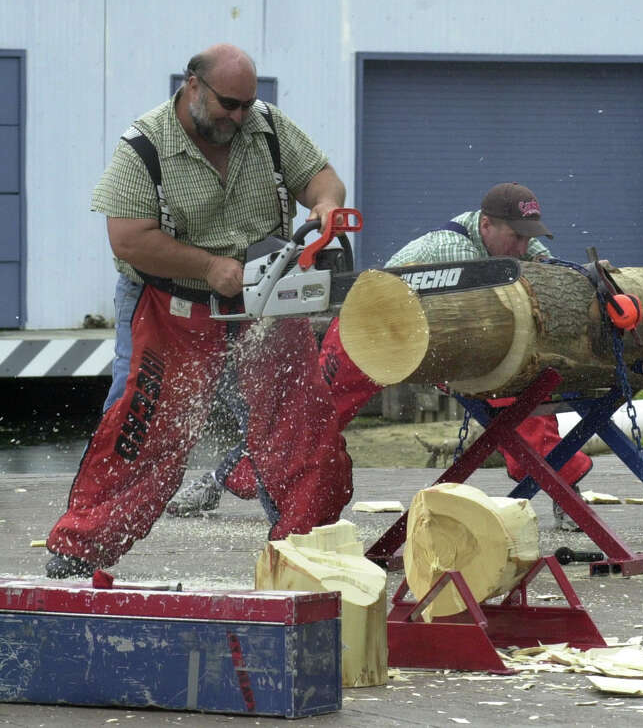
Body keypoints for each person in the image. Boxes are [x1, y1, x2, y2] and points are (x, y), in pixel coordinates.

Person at [44, 43, 353, 578]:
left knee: (298, 418)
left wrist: (324, 205)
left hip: (263, 294)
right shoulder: (144, 146)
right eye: (228, 104)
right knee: (142, 425)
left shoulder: (267, 126)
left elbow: (321, 177)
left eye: (246, 106)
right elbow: (128, 240)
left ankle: (305, 548)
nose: (237, 116)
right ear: (193, 86)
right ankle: (83, 548)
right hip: (171, 302)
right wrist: (208, 266)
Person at [169, 182, 594, 531]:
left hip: (444, 339)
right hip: (370, 328)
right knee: (309, 420)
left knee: (520, 392)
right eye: (516, 237)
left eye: (528, 238)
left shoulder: (512, 246)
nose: (523, 247)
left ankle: (563, 488)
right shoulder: (450, 250)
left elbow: (547, 269)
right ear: (487, 226)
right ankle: (221, 478)